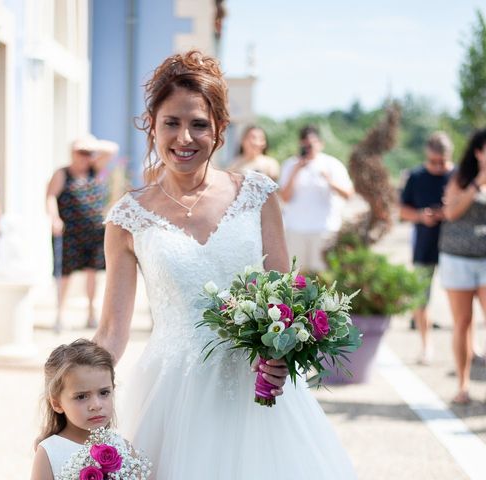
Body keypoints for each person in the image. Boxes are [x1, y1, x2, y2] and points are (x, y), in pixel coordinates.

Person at [94, 50, 356, 478]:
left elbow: (285, 301)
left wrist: (281, 355)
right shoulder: (127, 217)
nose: (185, 138)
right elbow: (111, 331)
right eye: (171, 123)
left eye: (199, 124)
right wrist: (74, 392)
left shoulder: (257, 195)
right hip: (171, 392)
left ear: (219, 129)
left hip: (259, 393)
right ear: (152, 126)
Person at [46, 136, 119, 331]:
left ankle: (91, 313)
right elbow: (51, 196)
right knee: (64, 274)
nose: (85, 156)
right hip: (69, 231)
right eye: (81, 152)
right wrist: (54, 218)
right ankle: (60, 314)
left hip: (94, 231)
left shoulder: (94, 169)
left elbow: (112, 148)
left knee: (92, 273)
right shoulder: (62, 173)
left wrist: (91, 145)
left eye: (88, 153)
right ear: (72, 153)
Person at [439, 128, 486, 405]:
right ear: (478, 152)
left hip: (485, 257)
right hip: (457, 258)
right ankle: (463, 384)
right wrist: (478, 183)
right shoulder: (461, 178)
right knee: (463, 322)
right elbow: (452, 212)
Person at [400, 132, 454, 365]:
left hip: (456, 247)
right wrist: (422, 216)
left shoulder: (458, 175)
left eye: (442, 161)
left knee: (464, 299)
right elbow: (402, 210)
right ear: (426, 155)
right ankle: (426, 346)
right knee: (420, 300)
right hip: (425, 246)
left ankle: (471, 347)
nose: (439, 166)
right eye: (434, 161)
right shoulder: (416, 176)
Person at [30, 339, 116, 480]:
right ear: (57, 403)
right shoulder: (49, 453)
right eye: (81, 396)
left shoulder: (122, 448)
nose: (96, 405)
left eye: (104, 393)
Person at [278, 125, 354, 273]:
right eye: (305, 143)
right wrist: (296, 171)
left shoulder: (332, 164)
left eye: (312, 143)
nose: (309, 147)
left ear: (321, 143)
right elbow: (285, 197)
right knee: (295, 276)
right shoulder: (290, 165)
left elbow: (348, 194)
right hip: (295, 229)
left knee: (323, 276)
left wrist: (330, 181)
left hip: (324, 229)